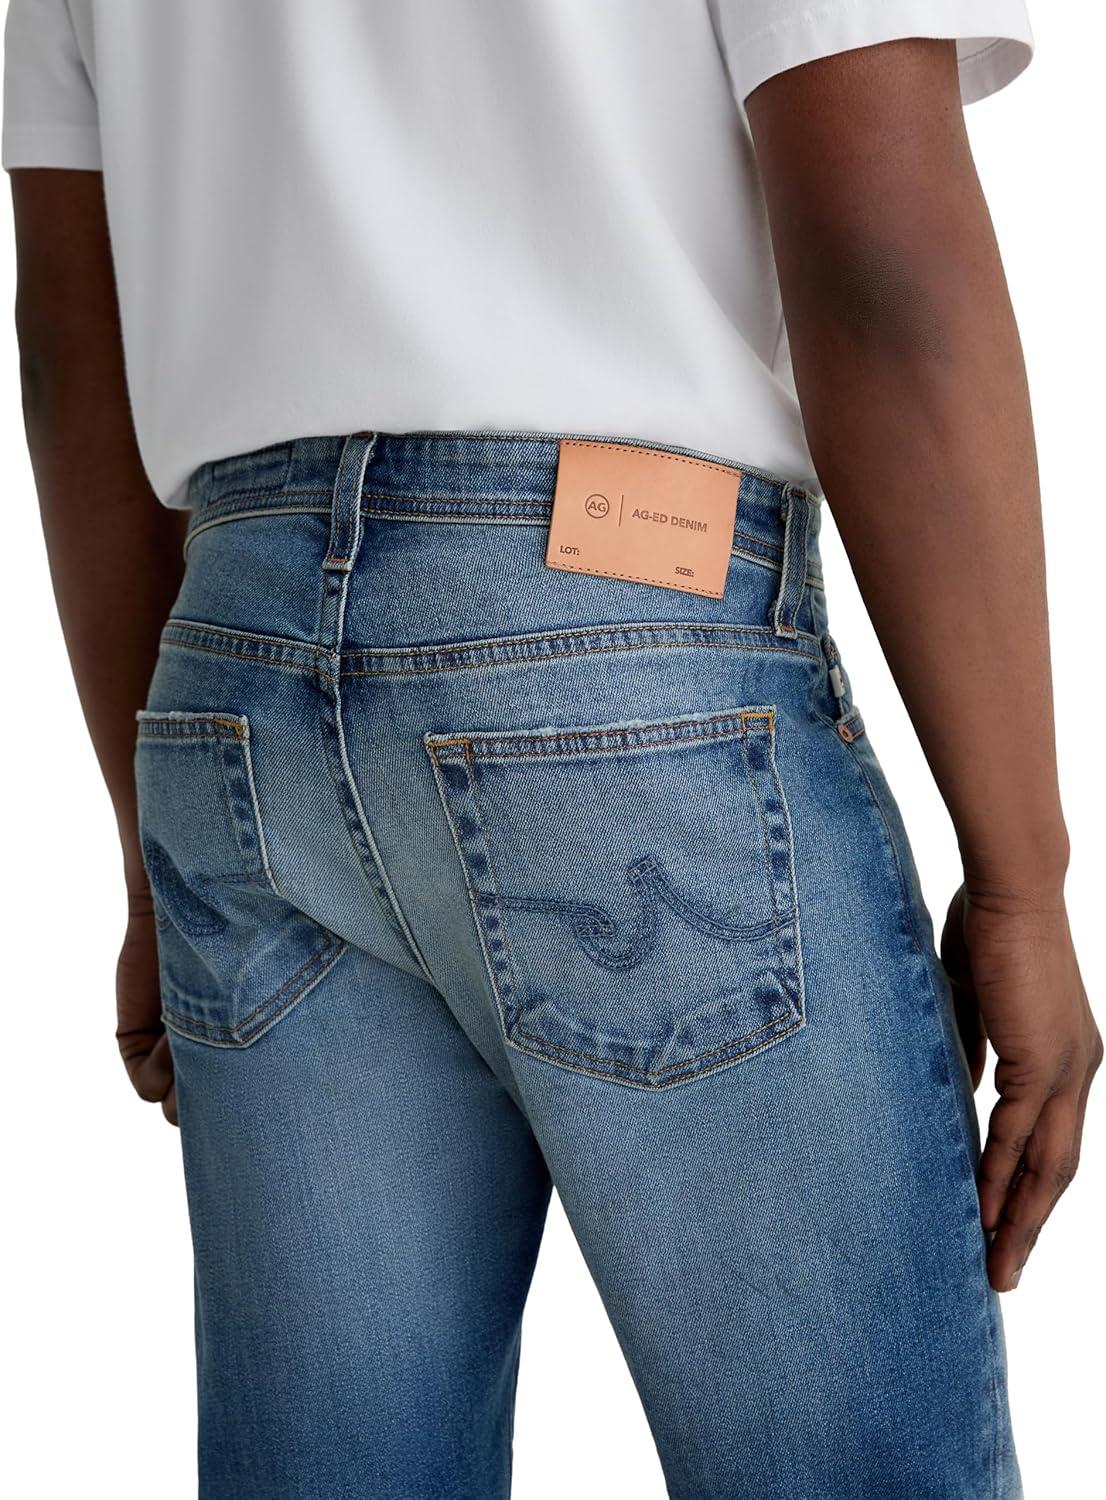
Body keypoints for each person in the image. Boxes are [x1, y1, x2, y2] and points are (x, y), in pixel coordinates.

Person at [3, 2, 1099, 1496]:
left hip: (232, 683)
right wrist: (1021, 878)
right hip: (627, 655)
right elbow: (879, 257)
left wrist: (151, 856)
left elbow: (72, 350)